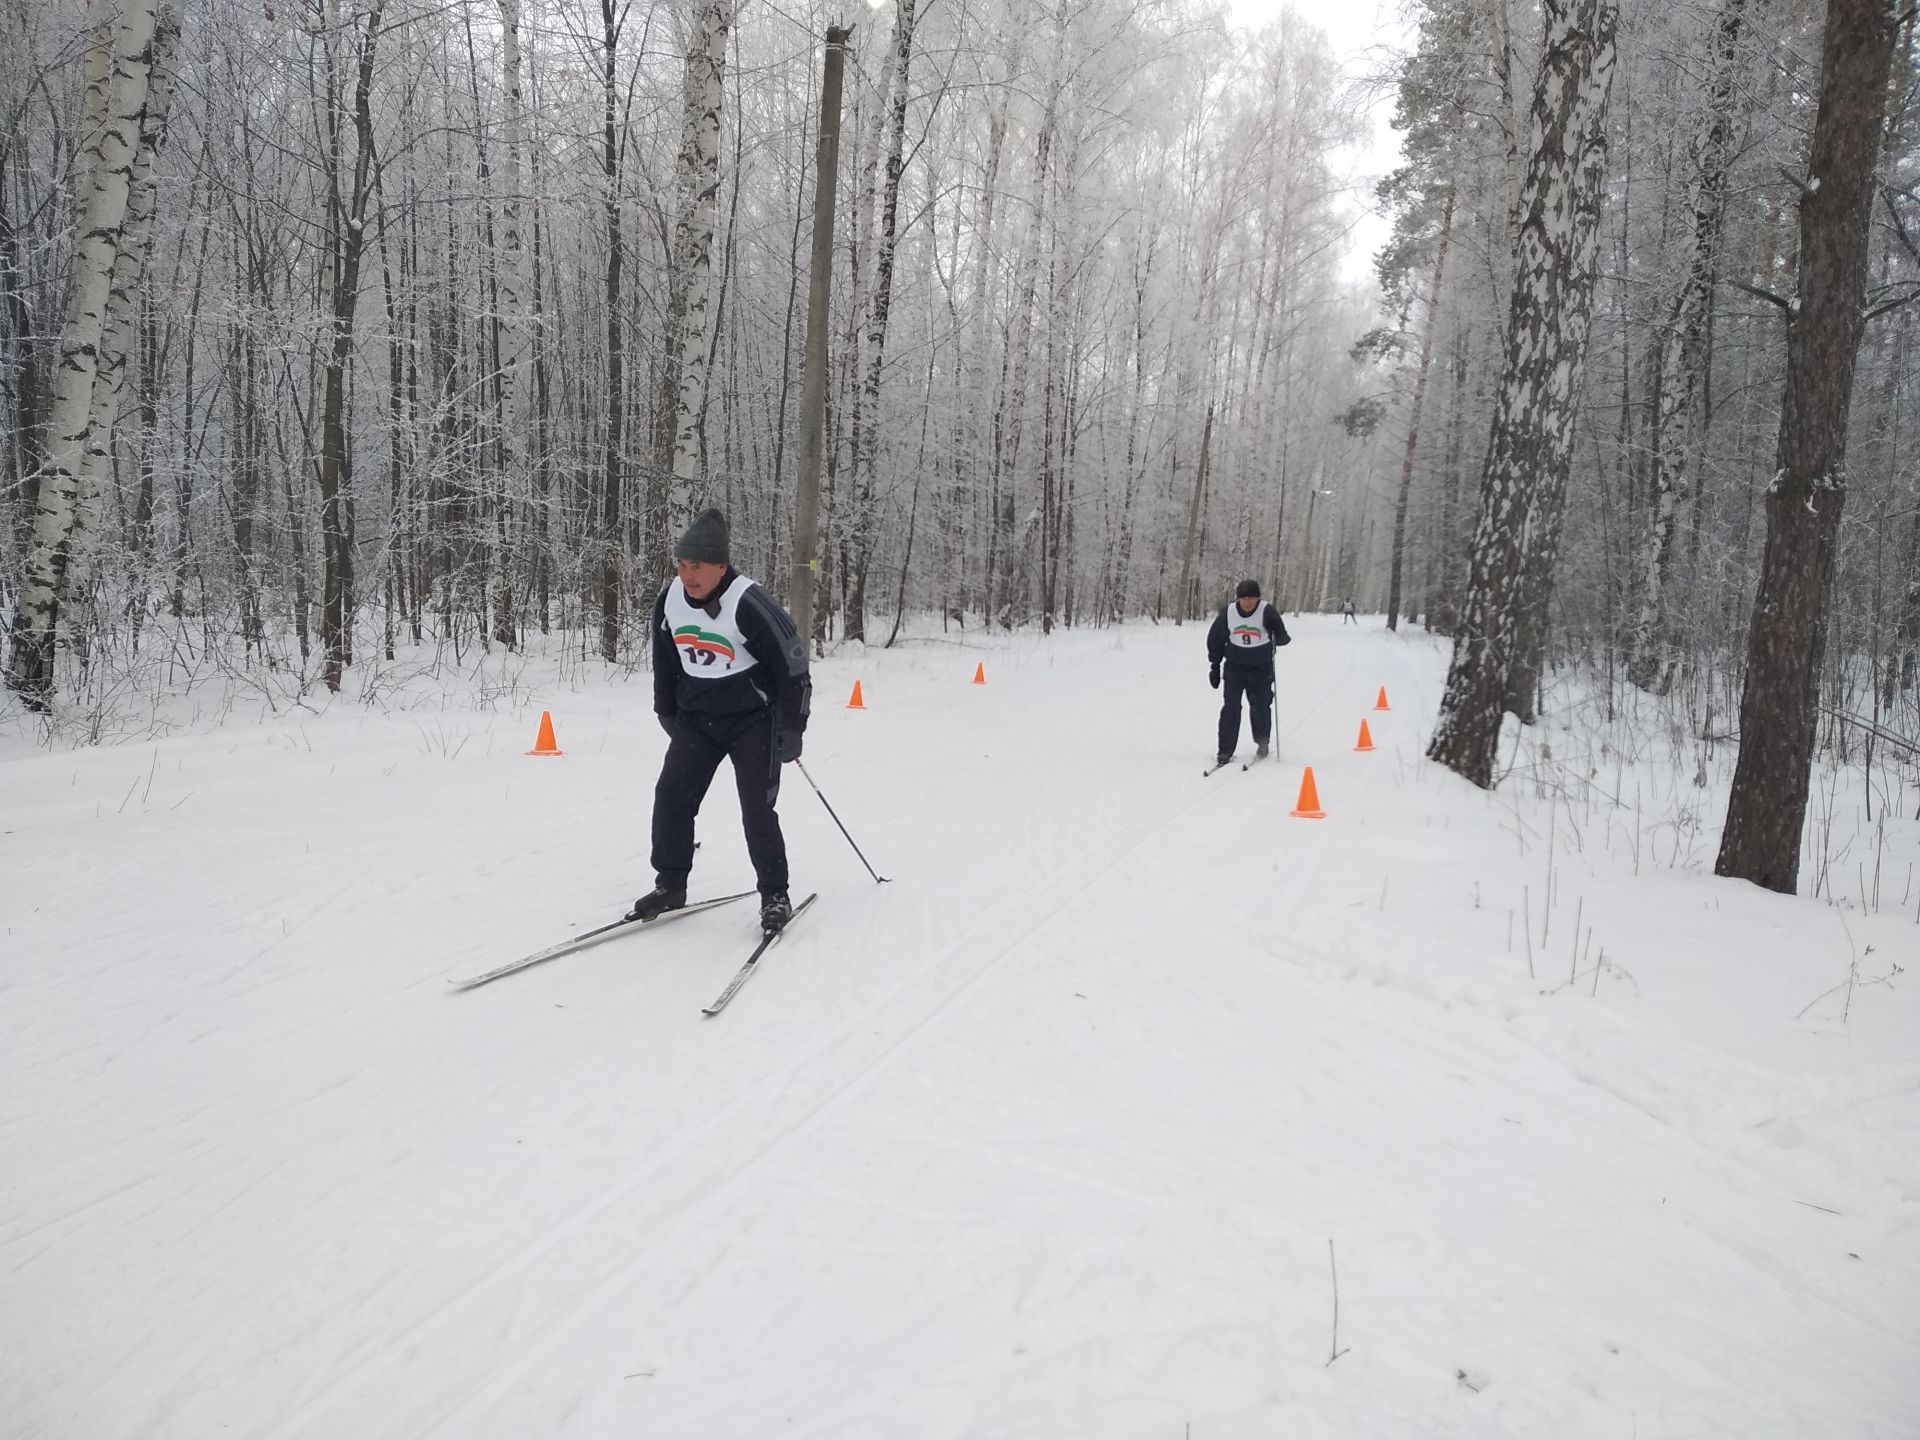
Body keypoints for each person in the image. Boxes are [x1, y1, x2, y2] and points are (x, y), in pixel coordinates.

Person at [629, 508, 812, 935]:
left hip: (753, 721)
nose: (687, 575)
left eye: (696, 566)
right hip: (697, 719)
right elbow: (665, 660)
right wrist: (666, 710)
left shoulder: (749, 602)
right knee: (672, 795)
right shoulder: (671, 598)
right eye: (681, 565)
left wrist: (792, 726)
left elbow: (793, 667)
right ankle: (670, 884)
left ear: (720, 567)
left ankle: (774, 895)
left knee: (756, 808)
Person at [1207, 579, 1291, 765]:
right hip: (1235, 667)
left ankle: (1262, 740)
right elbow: (1216, 639)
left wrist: (1274, 630)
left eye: (1251, 598)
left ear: (1257, 598)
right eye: (1243, 598)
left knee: (1260, 705)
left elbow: (1283, 637)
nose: (1247, 602)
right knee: (1231, 707)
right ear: (1238, 599)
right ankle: (1225, 750)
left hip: (1261, 667)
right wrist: (1214, 665)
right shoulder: (1228, 613)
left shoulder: (1266, 611)